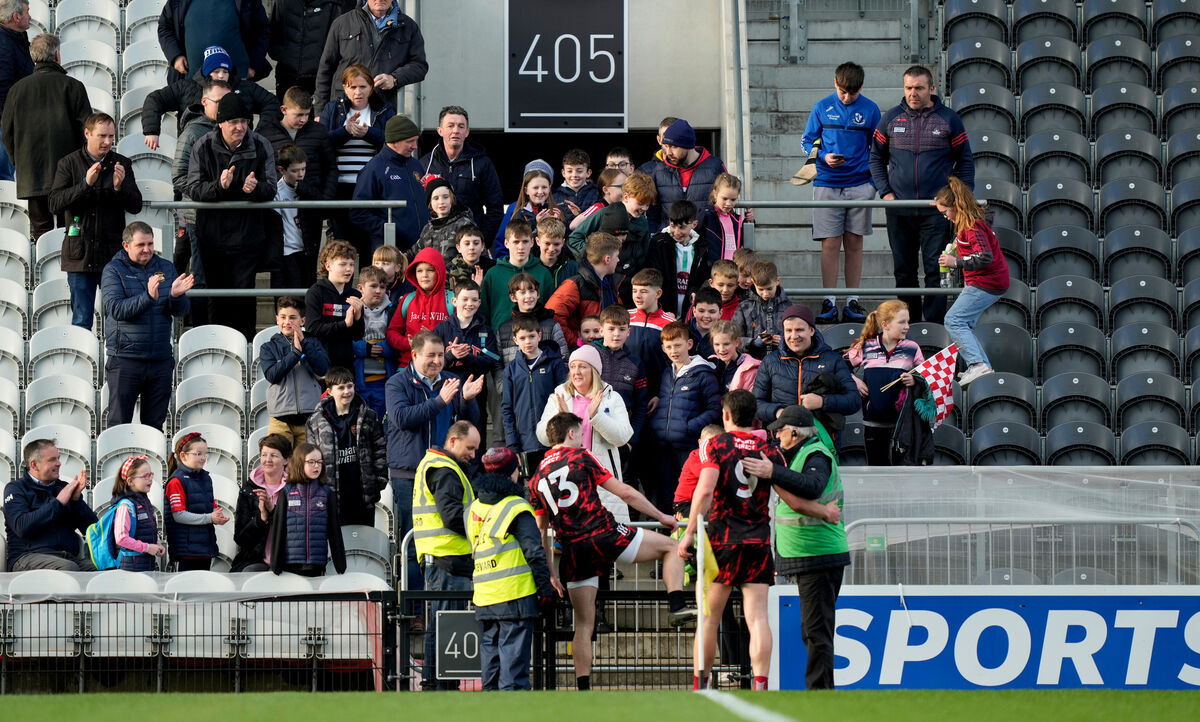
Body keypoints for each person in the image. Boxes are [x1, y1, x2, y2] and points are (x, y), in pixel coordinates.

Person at [533, 411, 692, 690]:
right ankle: (677, 605)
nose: (583, 439)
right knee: (670, 547)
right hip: (604, 534)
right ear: (571, 433)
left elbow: (541, 531)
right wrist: (662, 516)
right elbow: (625, 493)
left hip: (572, 548)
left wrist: (550, 572)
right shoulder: (582, 456)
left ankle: (583, 690)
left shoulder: (537, 477)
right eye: (581, 433)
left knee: (583, 623)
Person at [676, 390, 787, 691]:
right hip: (758, 541)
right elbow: (788, 493)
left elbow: (705, 490)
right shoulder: (768, 449)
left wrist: (688, 534)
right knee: (758, 618)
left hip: (723, 540)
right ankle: (761, 684)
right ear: (754, 417)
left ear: (726, 415)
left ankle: (702, 685)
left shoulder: (717, 445)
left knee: (708, 618)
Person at [742, 405, 848, 691]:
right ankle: (819, 691)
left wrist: (771, 471)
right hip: (811, 554)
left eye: (780, 433)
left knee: (816, 632)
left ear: (794, 432)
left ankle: (820, 694)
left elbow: (811, 487)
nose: (777, 438)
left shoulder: (816, 455)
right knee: (813, 630)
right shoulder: (802, 454)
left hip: (819, 554)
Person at [869, 64, 974, 324]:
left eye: (918, 88)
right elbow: (875, 158)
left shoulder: (949, 119)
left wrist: (957, 199)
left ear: (932, 89)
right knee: (903, 272)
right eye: (908, 88)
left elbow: (966, 161)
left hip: (936, 212)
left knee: (935, 270)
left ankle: (935, 327)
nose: (912, 93)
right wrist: (885, 193)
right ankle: (909, 325)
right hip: (899, 210)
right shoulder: (891, 118)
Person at [385, 331, 482, 568]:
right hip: (408, 474)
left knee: (445, 538)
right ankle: (415, 604)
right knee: (413, 540)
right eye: (431, 355)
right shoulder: (396, 383)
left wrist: (468, 401)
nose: (437, 361)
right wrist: (439, 401)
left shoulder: (449, 381)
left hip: (444, 474)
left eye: (441, 355)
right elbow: (401, 418)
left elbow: (466, 425)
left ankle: (439, 593)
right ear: (415, 354)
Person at [184, 92, 277, 339]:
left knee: (244, 297)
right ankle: (217, 345)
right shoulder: (202, 145)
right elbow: (193, 188)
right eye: (234, 122)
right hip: (212, 236)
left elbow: (272, 188)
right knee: (216, 297)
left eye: (244, 122)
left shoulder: (261, 144)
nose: (240, 127)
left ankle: (245, 349)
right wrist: (219, 186)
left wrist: (255, 189)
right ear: (221, 123)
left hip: (248, 236)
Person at [466, 448, 554, 691]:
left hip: (485, 596)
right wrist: (545, 588)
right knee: (513, 678)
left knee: (491, 674)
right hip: (514, 596)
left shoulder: (475, 507)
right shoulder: (516, 507)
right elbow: (534, 552)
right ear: (512, 474)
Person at [48, 112, 143, 330]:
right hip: (79, 253)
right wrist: (85, 184)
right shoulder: (68, 163)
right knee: (81, 320)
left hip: (112, 253)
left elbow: (135, 205)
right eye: (102, 136)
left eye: (111, 136)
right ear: (87, 134)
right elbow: (54, 204)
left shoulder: (122, 163)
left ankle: (116, 363)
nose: (108, 142)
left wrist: (120, 188)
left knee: (117, 318)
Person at [803, 62, 881, 324]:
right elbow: (806, 142)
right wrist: (824, 156)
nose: (847, 98)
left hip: (860, 184)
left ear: (862, 88)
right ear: (835, 84)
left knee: (855, 241)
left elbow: (879, 148)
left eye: (853, 93)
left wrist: (872, 183)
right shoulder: (821, 107)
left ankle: (852, 301)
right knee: (830, 243)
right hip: (826, 182)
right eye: (842, 92)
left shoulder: (870, 109)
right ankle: (829, 300)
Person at [101, 222, 193, 430]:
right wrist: (148, 298)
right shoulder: (113, 270)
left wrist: (176, 297)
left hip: (160, 360)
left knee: (154, 427)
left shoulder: (166, 267)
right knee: (118, 424)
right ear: (126, 245)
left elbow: (180, 311)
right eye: (141, 244)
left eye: (150, 244)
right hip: (125, 360)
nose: (147, 249)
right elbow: (116, 309)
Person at [413, 420, 481, 690]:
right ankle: (440, 686)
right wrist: (482, 525)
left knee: (441, 625)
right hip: (447, 559)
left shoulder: (435, 465)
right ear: (453, 441)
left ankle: (437, 684)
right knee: (446, 626)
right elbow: (452, 515)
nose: (473, 455)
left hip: (441, 559)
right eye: (470, 448)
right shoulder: (445, 470)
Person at [1, 33, 89, 239]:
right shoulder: (73, 86)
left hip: (31, 175)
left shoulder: (16, 90)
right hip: (69, 176)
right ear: (57, 55)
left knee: (42, 233)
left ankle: (46, 271)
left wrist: (19, 162)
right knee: (71, 233)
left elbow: (7, 133)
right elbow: (88, 131)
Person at [536, 344, 633, 522]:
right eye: (573, 366)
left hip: (603, 478)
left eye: (582, 366)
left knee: (607, 539)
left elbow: (623, 437)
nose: (576, 371)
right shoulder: (560, 395)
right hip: (569, 477)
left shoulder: (611, 398)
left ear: (594, 370)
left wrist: (596, 417)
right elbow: (542, 436)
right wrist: (561, 418)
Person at [934, 176, 1010, 386]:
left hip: (986, 282)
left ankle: (977, 365)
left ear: (956, 206)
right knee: (963, 323)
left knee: (953, 320)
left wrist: (955, 261)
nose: (945, 217)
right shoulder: (967, 224)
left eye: (945, 212)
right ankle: (982, 368)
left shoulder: (971, 227)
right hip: (987, 282)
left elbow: (985, 256)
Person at [170, 77, 232, 320]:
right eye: (219, 102)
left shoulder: (233, 129)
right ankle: (199, 333)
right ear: (205, 101)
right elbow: (178, 176)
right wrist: (209, 193)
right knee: (200, 278)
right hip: (197, 217)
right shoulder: (194, 132)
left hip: (226, 218)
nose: (224, 106)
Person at [320, 64, 395, 254]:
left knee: (368, 246)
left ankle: (366, 284)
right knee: (341, 248)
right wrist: (345, 132)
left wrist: (368, 133)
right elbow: (321, 143)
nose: (358, 92)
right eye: (352, 87)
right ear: (344, 87)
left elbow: (393, 144)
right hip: (340, 187)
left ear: (371, 87)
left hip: (370, 187)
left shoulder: (385, 110)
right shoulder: (333, 109)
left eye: (363, 87)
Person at [648, 321, 721, 513]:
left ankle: (689, 539)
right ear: (663, 348)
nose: (674, 350)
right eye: (669, 347)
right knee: (665, 497)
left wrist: (690, 427)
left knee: (687, 497)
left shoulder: (704, 374)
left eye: (678, 345)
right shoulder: (666, 373)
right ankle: (667, 539)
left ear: (689, 344)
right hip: (663, 446)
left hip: (688, 447)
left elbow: (714, 409)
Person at [142, 45, 280, 145]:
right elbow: (155, 99)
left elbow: (272, 103)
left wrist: (260, 133)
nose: (221, 75)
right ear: (207, 72)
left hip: (239, 151)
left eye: (225, 71)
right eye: (216, 71)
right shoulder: (186, 87)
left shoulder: (244, 87)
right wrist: (152, 131)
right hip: (196, 150)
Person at [753, 304, 860, 433]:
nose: (794, 336)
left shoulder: (833, 360)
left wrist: (822, 402)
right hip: (782, 439)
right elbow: (756, 404)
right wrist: (779, 413)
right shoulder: (770, 361)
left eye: (799, 330)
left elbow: (854, 401)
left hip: (822, 441)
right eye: (788, 330)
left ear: (811, 330)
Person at [306, 366, 388, 527]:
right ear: (329, 391)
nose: (346, 392)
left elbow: (380, 450)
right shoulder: (316, 421)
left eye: (349, 386)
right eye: (341, 388)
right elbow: (311, 458)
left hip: (363, 494)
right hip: (332, 495)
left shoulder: (369, 416)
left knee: (363, 543)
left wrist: (379, 481)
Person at [313, 0, 427, 112]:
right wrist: (319, 111)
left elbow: (419, 66)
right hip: (344, 109)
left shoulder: (408, 26)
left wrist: (394, 79)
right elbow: (325, 70)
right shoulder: (342, 23)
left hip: (383, 110)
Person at [846, 299, 923, 464]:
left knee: (902, 473)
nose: (907, 326)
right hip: (873, 422)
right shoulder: (865, 346)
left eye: (908, 322)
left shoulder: (912, 348)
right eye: (902, 322)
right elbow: (839, 366)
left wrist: (914, 380)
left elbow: (925, 376)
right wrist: (855, 381)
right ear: (885, 324)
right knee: (876, 469)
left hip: (902, 424)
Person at [3, 439, 97, 572]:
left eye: (58, 458)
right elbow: (21, 526)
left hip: (67, 558)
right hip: (26, 558)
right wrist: (58, 503)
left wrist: (76, 501)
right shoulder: (15, 489)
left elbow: (92, 529)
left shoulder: (64, 488)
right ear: (34, 465)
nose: (59, 463)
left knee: (106, 569)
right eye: (52, 459)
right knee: (69, 568)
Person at [417, 106, 504, 240]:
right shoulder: (425, 164)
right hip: (435, 244)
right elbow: (417, 206)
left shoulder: (482, 163)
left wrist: (482, 240)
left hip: (469, 246)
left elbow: (495, 208)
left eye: (461, 126)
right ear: (440, 131)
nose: (456, 131)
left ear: (467, 132)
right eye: (450, 126)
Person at [500, 312, 567, 475]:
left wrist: (562, 436)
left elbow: (565, 400)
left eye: (531, 336)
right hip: (525, 442)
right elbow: (507, 408)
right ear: (515, 340)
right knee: (532, 488)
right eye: (522, 338)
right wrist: (512, 443)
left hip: (553, 441)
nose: (528, 341)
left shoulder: (555, 364)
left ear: (539, 336)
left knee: (555, 486)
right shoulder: (511, 369)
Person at [351, 113, 428, 254]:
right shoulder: (374, 169)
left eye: (416, 141)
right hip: (391, 251)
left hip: (422, 248)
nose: (415, 146)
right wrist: (388, 230)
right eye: (410, 141)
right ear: (394, 140)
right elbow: (358, 212)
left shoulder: (416, 165)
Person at [269, 442, 348, 576]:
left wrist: (340, 565)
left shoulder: (327, 493)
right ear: (300, 463)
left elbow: (334, 531)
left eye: (319, 462)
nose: (316, 466)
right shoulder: (286, 492)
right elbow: (279, 529)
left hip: (316, 564)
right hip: (291, 564)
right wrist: (275, 564)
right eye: (311, 462)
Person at [433, 279, 499, 439]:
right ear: (455, 301)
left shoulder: (485, 331)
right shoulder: (441, 329)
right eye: (465, 299)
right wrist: (450, 356)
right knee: (448, 437)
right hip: (447, 392)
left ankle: (476, 465)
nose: (469, 304)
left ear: (479, 302)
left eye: (474, 300)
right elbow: (430, 363)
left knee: (474, 436)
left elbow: (493, 358)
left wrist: (468, 358)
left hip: (476, 394)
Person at [261, 297, 331, 448]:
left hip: (309, 417)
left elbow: (323, 369)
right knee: (279, 463)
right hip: (280, 418)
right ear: (277, 320)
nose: (287, 322)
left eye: (292, 318)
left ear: (303, 320)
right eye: (283, 317)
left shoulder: (313, 342)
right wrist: (295, 354)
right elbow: (272, 375)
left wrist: (304, 343)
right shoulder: (268, 347)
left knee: (305, 466)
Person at [157, 0, 270, 83]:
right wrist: (175, 56)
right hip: (192, 81)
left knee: (235, 115)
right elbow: (164, 27)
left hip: (235, 80)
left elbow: (262, 30)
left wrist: (254, 64)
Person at [165, 432, 230, 572]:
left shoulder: (206, 478)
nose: (203, 458)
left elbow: (209, 507)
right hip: (185, 552)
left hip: (205, 547)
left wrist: (216, 516)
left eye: (205, 454)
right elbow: (179, 515)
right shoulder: (176, 481)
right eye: (198, 453)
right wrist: (209, 518)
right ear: (183, 456)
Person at [547, 232, 623, 347]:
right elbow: (552, 317)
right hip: (583, 358)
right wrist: (579, 342)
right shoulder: (574, 285)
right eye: (616, 256)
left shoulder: (611, 285)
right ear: (607, 259)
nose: (618, 260)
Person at [648, 118, 726, 230]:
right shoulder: (659, 170)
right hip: (669, 242)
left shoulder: (715, 166)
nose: (669, 152)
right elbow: (652, 212)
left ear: (688, 145)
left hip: (705, 241)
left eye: (674, 146)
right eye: (666, 146)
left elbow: (728, 202)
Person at [232, 433, 292, 572]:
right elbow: (241, 539)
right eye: (264, 455)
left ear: (286, 460)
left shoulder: (295, 489)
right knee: (248, 573)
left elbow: (298, 530)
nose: (267, 460)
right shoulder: (248, 490)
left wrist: (273, 510)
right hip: (255, 559)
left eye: (274, 455)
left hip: (288, 559)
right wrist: (262, 518)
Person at [567, 171, 655, 262]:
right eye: (640, 203)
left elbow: (644, 255)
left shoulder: (643, 222)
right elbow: (574, 239)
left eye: (647, 205)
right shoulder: (604, 213)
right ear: (626, 197)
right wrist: (593, 256)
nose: (644, 208)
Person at [481, 219, 554, 330]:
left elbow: (550, 310)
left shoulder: (543, 273)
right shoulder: (492, 274)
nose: (521, 247)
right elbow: (484, 314)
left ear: (532, 242)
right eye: (516, 242)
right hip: (499, 339)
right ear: (506, 243)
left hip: (533, 338)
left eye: (525, 241)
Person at [386, 246, 452, 368]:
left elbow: (461, 334)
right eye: (419, 271)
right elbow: (392, 332)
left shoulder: (452, 301)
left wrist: (435, 340)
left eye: (430, 270)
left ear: (440, 271)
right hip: (407, 367)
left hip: (440, 368)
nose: (424, 275)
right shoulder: (407, 299)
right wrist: (409, 343)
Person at [647, 199, 711, 320]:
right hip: (664, 307)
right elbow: (653, 274)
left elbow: (702, 277)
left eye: (682, 227)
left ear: (694, 224)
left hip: (689, 308)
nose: (677, 232)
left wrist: (695, 291)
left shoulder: (702, 246)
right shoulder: (659, 242)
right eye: (673, 226)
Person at [305, 239, 363, 371]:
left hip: (346, 364)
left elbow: (358, 335)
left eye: (352, 264)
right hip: (321, 363)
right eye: (343, 264)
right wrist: (344, 324)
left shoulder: (355, 295)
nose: (349, 269)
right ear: (328, 266)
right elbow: (312, 329)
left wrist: (358, 317)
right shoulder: (315, 292)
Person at [267, 0, 341, 98]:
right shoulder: (283, 2)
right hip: (286, 74)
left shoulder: (332, 5)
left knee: (315, 112)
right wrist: (283, 56)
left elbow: (336, 42)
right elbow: (272, 31)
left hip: (318, 77)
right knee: (286, 111)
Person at [352, 264, 399, 420]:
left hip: (384, 381)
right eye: (373, 286)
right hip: (360, 381)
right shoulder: (352, 310)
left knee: (382, 422)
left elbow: (397, 339)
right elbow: (346, 340)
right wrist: (364, 348)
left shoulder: (392, 311)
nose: (379, 291)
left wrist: (381, 347)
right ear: (360, 288)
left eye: (383, 287)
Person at [104, 456, 165, 572]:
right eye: (145, 476)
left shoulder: (144, 502)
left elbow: (146, 530)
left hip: (145, 564)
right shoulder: (125, 505)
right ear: (130, 481)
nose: (150, 479)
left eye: (151, 474)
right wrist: (147, 547)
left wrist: (157, 543)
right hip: (129, 568)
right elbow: (121, 538)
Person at [495, 272, 568, 367]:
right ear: (513, 297)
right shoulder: (503, 329)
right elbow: (497, 362)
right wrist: (504, 382)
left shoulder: (551, 325)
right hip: (512, 381)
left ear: (538, 294)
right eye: (523, 292)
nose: (528, 296)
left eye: (532, 291)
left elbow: (564, 359)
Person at [627, 268, 674, 405]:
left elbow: (675, 365)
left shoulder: (670, 324)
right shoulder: (625, 318)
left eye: (644, 291)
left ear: (658, 293)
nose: (637, 296)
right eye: (634, 291)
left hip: (655, 396)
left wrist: (661, 394)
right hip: (626, 390)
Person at [270, 144, 312, 288]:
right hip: (286, 253)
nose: (300, 174)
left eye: (303, 169)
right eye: (295, 171)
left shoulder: (308, 187)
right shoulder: (277, 192)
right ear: (282, 170)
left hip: (305, 250)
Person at [732, 259, 790, 359]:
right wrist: (753, 342)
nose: (765, 294)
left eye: (769, 288)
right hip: (752, 362)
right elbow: (733, 339)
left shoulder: (788, 307)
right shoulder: (744, 307)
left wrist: (785, 341)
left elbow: (798, 336)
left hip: (782, 361)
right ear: (753, 282)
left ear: (777, 281)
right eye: (761, 289)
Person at [0, 0, 32, 181]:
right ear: (16, 16)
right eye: (27, 11)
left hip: (10, 120)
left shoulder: (15, 39)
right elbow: (3, 87)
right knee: (3, 177)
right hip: (5, 122)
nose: (30, 16)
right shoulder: (4, 44)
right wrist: (10, 121)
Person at [415, 176, 476, 266]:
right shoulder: (428, 229)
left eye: (445, 197)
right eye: (436, 198)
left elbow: (474, 254)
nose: (441, 202)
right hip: (433, 278)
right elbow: (415, 252)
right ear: (430, 203)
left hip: (458, 278)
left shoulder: (464, 224)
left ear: (452, 199)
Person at [697, 173, 754, 262]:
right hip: (712, 272)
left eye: (733, 199)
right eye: (724, 198)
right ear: (715, 194)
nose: (728, 204)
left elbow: (739, 242)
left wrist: (748, 222)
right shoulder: (706, 215)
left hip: (732, 271)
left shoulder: (735, 219)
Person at [672, 423, 722, 521]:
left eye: (717, 444)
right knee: (708, 522)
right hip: (685, 503)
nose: (712, 448)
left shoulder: (716, 459)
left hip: (701, 502)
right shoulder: (696, 457)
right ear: (700, 443)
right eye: (708, 444)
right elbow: (706, 475)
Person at [568, 166, 625, 232]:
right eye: (621, 186)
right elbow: (573, 225)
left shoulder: (623, 206)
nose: (626, 191)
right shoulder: (598, 207)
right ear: (606, 190)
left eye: (627, 186)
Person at [710, 319, 759, 392]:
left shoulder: (750, 370)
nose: (721, 349)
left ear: (737, 342)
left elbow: (749, 400)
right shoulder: (711, 364)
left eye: (726, 344)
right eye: (717, 344)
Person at [447, 224, 495, 292]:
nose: (471, 247)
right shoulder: (449, 271)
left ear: (482, 246)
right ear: (458, 248)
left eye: (476, 243)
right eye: (467, 244)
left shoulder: (493, 269)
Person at [554, 148, 599, 215]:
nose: (574, 175)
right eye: (569, 171)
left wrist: (579, 215)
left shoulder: (597, 193)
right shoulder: (555, 196)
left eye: (579, 171)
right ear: (563, 173)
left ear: (588, 173)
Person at [535, 217, 576, 289]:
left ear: (563, 242)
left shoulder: (574, 267)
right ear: (538, 241)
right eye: (547, 243)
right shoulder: (528, 267)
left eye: (556, 244)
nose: (551, 249)